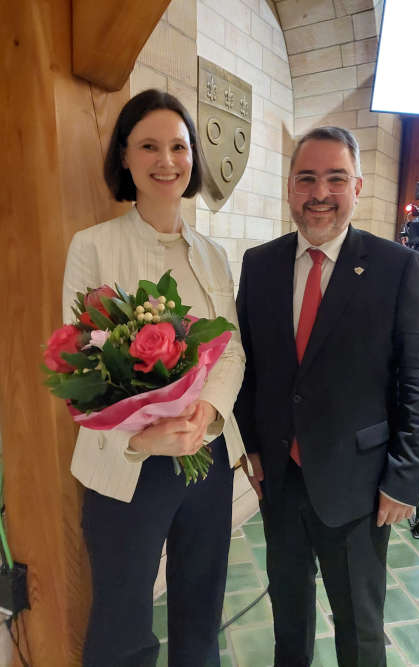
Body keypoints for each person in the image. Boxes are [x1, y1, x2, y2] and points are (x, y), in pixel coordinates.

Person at [234, 126, 419, 667]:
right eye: (307, 178)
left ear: (358, 187)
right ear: (289, 187)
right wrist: (252, 447)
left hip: (361, 486)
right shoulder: (259, 265)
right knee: (289, 620)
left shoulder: (395, 268)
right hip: (280, 480)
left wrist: (405, 478)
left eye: (335, 179)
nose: (319, 193)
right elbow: (247, 365)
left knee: (359, 628)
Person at [62, 89, 245, 667]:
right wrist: (141, 437)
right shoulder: (93, 245)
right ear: (124, 158)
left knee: (200, 612)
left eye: (178, 146)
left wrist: (206, 413)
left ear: (193, 158)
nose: (166, 160)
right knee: (121, 626)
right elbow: (78, 364)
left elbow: (232, 350)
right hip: (127, 467)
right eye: (149, 146)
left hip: (205, 460)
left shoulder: (213, 254)